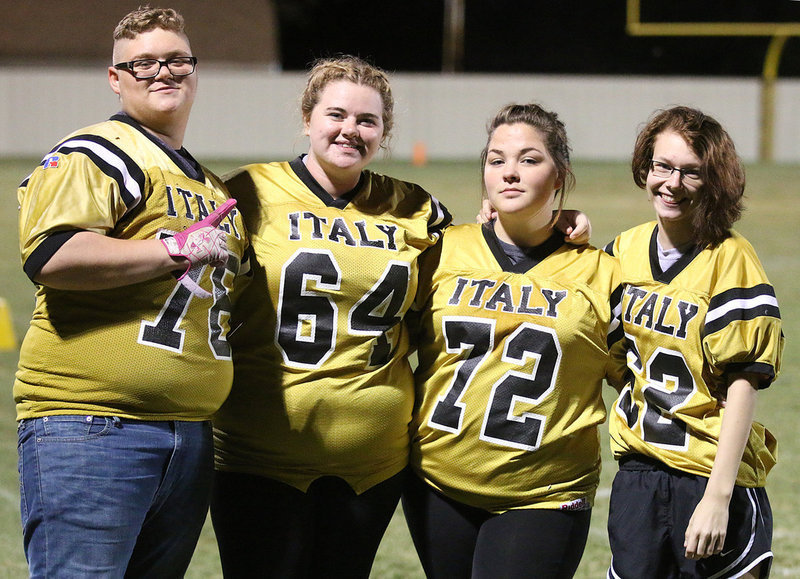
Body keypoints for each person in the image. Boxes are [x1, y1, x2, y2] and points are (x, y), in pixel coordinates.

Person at [15, 7, 248, 577]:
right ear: (115, 78)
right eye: (142, 63)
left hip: (188, 433)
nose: (161, 72)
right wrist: (170, 250)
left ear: (195, 72)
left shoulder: (207, 183)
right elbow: (52, 255)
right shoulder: (99, 149)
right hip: (94, 426)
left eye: (176, 60)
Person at [402, 103, 627, 579]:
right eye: (496, 159)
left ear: (560, 173)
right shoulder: (442, 250)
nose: (509, 172)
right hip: (437, 482)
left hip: (544, 492)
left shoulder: (602, 273)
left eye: (529, 159)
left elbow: (636, 379)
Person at [605, 106, 784, 579]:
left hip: (709, 471)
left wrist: (718, 497)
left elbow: (744, 380)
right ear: (645, 167)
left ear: (714, 181)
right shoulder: (622, 250)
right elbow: (609, 355)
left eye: (691, 173)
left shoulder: (731, 258)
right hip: (639, 472)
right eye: (662, 166)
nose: (672, 183)